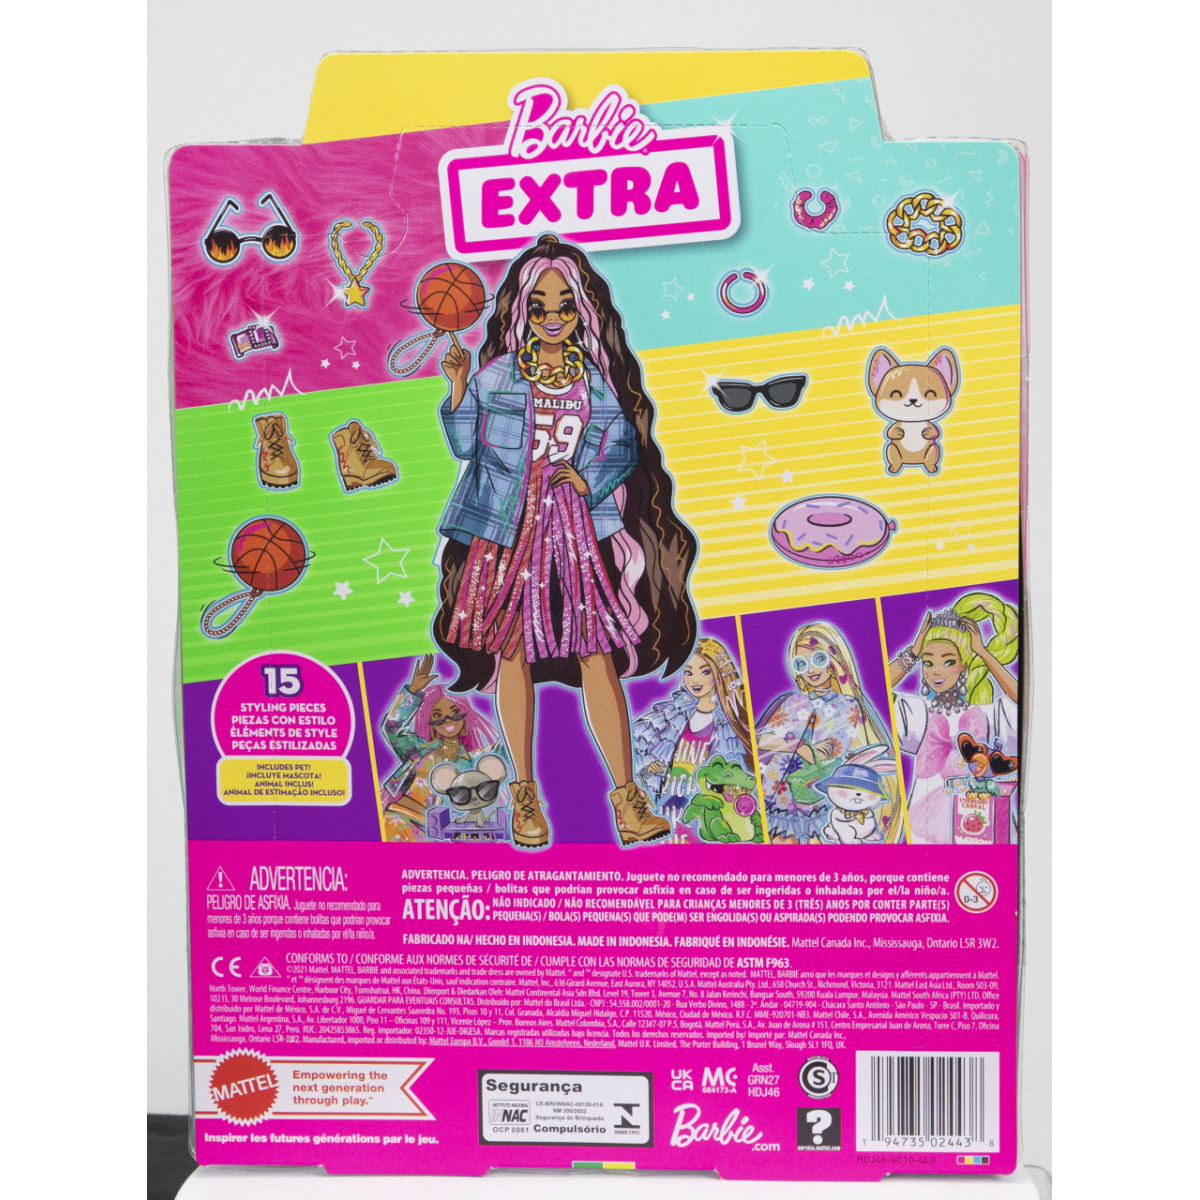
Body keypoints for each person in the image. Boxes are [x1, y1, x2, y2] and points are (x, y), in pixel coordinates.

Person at [432, 234, 699, 849]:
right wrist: (457, 387)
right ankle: (525, 798)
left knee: (596, 651)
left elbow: (622, 444)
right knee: (511, 652)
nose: (552, 317)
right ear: (521, 309)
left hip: (576, 528)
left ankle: (628, 802)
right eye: (540, 306)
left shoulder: (592, 378)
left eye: (565, 306)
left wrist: (588, 477)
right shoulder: (498, 374)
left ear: (583, 311)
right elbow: (466, 445)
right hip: (509, 526)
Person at [888, 592, 1019, 844]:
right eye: (928, 662)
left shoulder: (989, 714)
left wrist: (983, 653)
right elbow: (875, 692)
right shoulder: (919, 713)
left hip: (982, 821)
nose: (936, 671)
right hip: (928, 826)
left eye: (948, 662)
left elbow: (1022, 699)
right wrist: (912, 653)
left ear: (963, 665)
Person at [755, 621, 902, 843]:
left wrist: (789, 743)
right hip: (778, 790)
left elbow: (831, 753)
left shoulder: (847, 705)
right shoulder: (792, 701)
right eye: (801, 664)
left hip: (815, 792)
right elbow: (765, 740)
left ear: (833, 661)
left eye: (818, 659)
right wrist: (801, 747)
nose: (811, 670)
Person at [378, 654, 506, 842]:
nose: (447, 721)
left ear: (465, 717)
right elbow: (392, 728)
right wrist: (412, 691)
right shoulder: (420, 749)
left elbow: (503, 748)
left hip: (433, 834)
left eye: (455, 713)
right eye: (438, 716)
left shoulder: (472, 761)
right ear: (431, 722)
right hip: (397, 819)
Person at [633, 636, 753, 815]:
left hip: (704, 816)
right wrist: (646, 767)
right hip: (665, 813)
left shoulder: (729, 724)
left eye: (705, 672)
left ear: (718, 672)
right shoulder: (672, 713)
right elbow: (633, 746)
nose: (695, 680)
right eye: (688, 672)